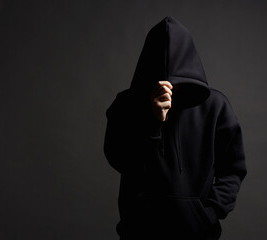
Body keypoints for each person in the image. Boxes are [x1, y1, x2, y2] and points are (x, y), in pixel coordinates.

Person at [104, 16, 247, 240]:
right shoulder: (127, 104)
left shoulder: (215, 107)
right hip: (138, 233)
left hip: (198, 234)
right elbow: (119, 159)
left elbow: (233, 169)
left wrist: (208, 213)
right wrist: (152, 122)